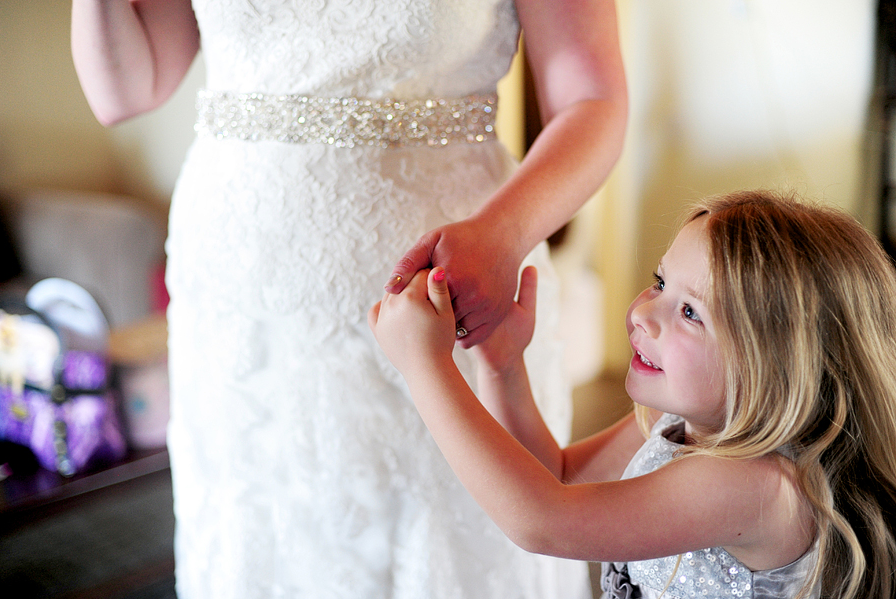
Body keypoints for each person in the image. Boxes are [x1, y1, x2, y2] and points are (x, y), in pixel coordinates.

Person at [70, 1, 628, 597]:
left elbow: (592, 99)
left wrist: (502, 233)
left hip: (448, 284)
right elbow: (125, 90)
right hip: (244, 300)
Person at [369, 189, 896, 599]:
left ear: (778, 367)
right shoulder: (672, 422)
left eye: (690, 313)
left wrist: (426, 365)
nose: (644, 313)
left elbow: (543, 522)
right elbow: (559, 478)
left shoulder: (757, 486)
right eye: (660, 282)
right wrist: (503, 365)